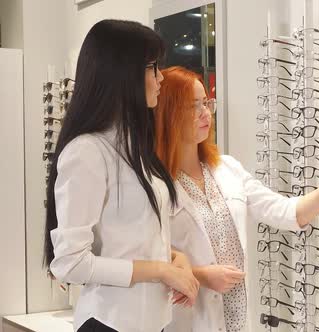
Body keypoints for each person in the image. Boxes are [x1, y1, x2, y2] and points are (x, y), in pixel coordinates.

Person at [153, 66, 319, 332]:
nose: (205, 113)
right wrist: (201, 276)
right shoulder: (155, 182)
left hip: (238, 316)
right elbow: (147, 257)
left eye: (206, 103)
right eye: (193, 106)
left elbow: (289, 213)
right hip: (188, 319)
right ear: (168, 114)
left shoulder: (227, 168)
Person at [43, 20, 199, 332]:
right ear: (120, 73)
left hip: (154, 322)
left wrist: (173, 259)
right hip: (109, 322)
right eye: (152, 67)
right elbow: (70, 263)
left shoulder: (136, 149)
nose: (161, 77)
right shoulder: (87, 152)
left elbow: (126, 239)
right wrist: (160, 271)